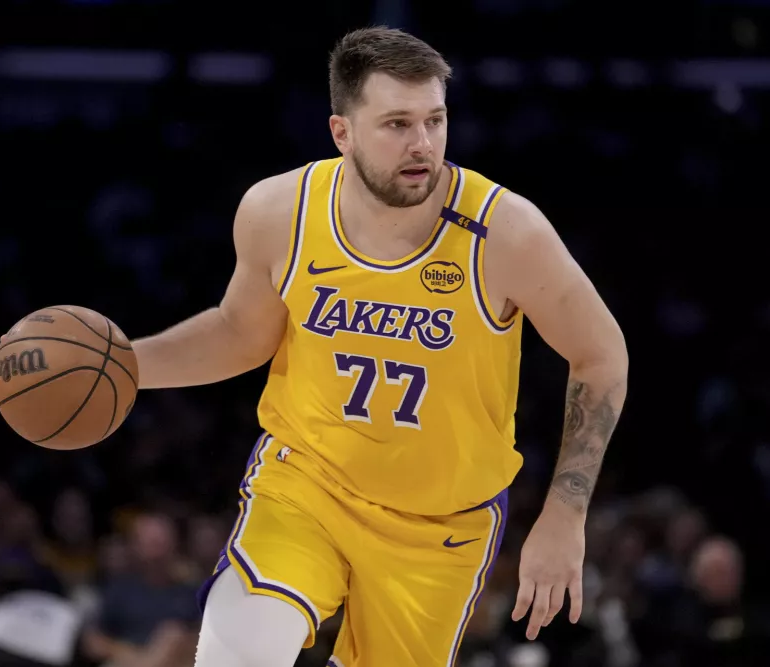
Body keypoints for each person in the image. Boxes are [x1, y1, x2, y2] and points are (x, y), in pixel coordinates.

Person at [131, 27, 628, 667]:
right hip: (308, 484)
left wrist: (565, 514)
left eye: (435, 120)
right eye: (396, 123)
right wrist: (126, 365)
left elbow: (602, 353)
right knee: (240, 651)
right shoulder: (279, 210)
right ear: (342, 133)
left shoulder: (505, 233)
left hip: (438, 525)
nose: (422, 144)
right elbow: (239, 333)